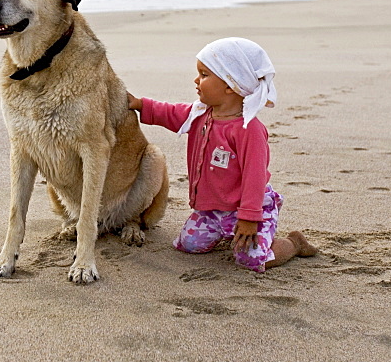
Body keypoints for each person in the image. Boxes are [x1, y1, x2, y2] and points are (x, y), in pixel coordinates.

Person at [127, 37, 317, 272]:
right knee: (188, 245)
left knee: (251, 259)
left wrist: (249, 216)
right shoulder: (199, 114)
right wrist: (140, 104)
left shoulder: (249, 130)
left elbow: (254, 177)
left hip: (249, 209)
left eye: (204, 75)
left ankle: (293, 244)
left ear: (230, 85)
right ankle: (223, 232)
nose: (196, 80)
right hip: (211, 209)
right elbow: (170, 113)